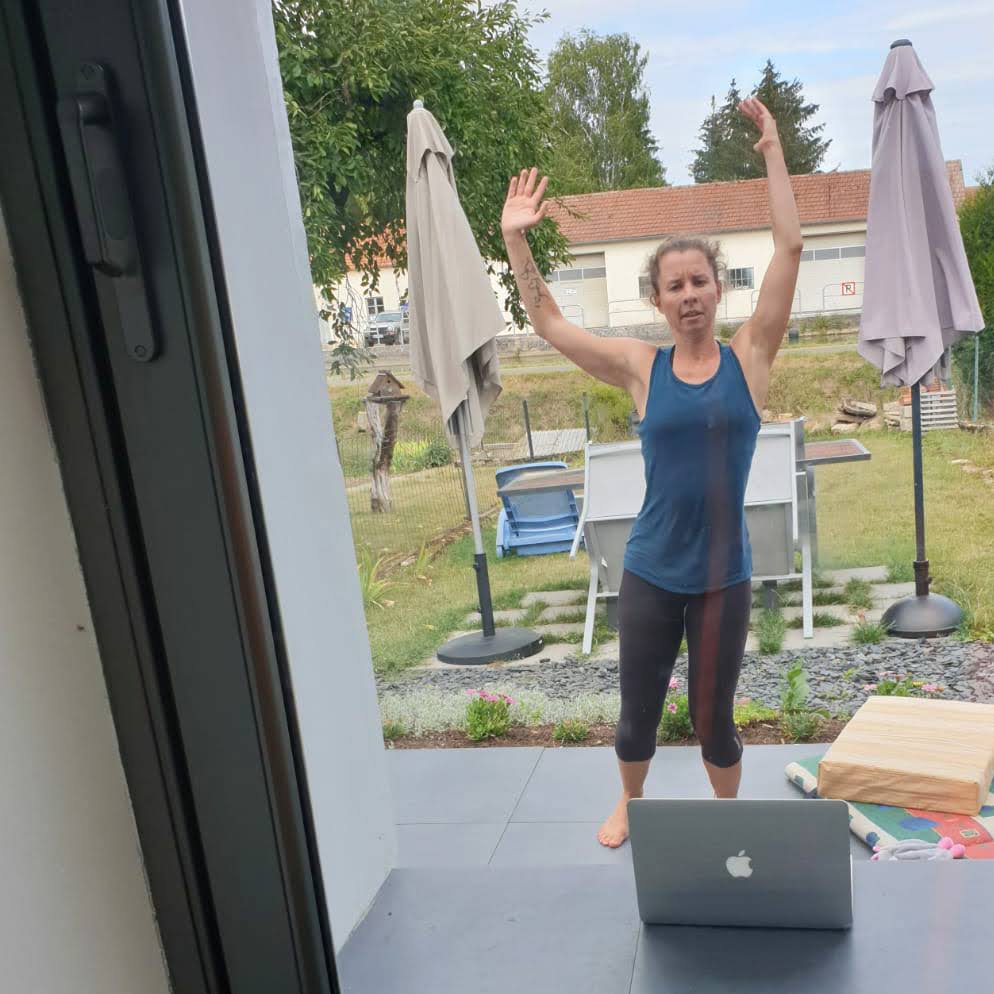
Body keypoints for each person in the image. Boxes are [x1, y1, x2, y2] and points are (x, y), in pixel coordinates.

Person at [500, 96, 802, 848]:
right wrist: (516, 242)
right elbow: (548, 324)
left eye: (700, 280)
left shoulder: (750, 358)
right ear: (658, 301)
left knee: (714, 719)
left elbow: (791, 250)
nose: (690, 294)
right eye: (675, 286)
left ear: (716, 288)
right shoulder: (641, 368)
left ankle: (726, 821)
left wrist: (771, 152)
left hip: (724, 573)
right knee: (636, 710)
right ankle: (630, 801)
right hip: (651, 569)